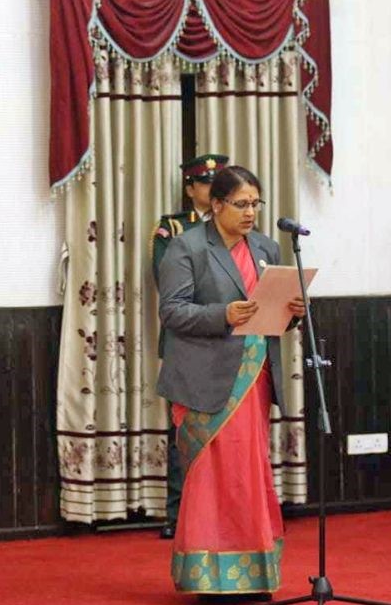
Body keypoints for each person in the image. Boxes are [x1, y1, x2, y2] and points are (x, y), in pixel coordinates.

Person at [157, 165, 306, 597]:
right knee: (212, 476)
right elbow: (172, 311)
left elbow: (273, 316)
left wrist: (293, 311)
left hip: (254, 377)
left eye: (255, 204)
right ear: (216, 204)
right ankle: (208, 579)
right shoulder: (185, 247)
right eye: (241, 204)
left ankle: (253, 575)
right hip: (206, 378)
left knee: (249, 473)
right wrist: (221, 314)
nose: (250, 213)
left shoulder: (266, 247)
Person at [151, 153, 229, 540]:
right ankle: (177, 513)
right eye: (204, 184)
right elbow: (168, 284)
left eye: (218, 184)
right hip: (187, 336)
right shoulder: (174, 230)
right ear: (190, 189)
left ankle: (224, 512)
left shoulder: (239, 233)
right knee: (184, 429)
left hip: (232, 340)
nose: (212, 190)